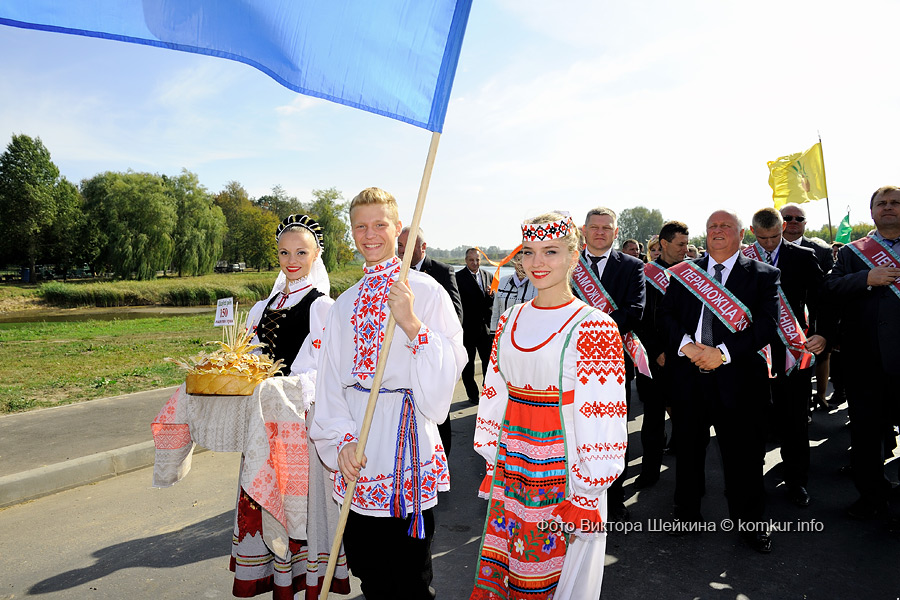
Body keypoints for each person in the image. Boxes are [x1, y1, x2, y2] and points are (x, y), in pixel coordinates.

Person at [310, 188, 465, 600]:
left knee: (411, 578)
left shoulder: (425, 292)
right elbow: (330, 384)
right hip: (358, 449)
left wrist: (411, 323)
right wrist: (341, 441)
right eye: (360, 226)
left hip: (405, 446)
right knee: (370, 572)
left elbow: (451, 364)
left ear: (398, 229)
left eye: (380, 224)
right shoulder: (343, 304)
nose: (370, 234)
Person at [471, 212, 627, 600]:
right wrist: (492, 455)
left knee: (557, 579)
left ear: (575, 256)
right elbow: (495, 392)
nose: (537, 262)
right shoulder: (510, 318)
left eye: (551, 251)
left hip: (567, 472)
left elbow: (604, 413)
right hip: (514, 463)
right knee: (512, 567)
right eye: (528, 252)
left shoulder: (594, 325)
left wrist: (588, 490)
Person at [235, 214, 349, 599]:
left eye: (301, 252)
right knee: (266, 495)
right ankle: (275, 575)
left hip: (300, 420)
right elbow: (250, 358)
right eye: (284, 252)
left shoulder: (322, 307)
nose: (292, 260)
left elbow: (326, 370)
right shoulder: (261, 307)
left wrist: (284, 387)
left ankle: (308, 578)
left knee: (299, 502)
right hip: (264, 421)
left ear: (316, 255)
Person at [661, 210, 779, 553]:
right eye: (712, 225)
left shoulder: (763, 274)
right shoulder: (685, 273)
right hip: (689, 376)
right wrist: (687, 346)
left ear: (741, 234)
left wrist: (722, 353)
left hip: (738, 379)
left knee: (744, 456)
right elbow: (666, 315)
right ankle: (686, 514)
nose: (717, 230)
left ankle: (751, 523)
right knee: (688, 451)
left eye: (725, 225)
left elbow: (766, 326)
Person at [823, 185, 900, 521]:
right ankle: (871, 496)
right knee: (866, 434)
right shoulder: (853, 253)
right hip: (865, 360)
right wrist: (866, 277)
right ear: (872, 212)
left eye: (895, 202)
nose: (888, 207)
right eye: (882, 203)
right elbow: (830, 288)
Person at [748, 207, 825, 507]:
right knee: (753, 419)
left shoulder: (804, 256)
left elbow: (821, 299)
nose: (769, 244)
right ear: (753, 232)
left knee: (794, 420)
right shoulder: (741, 258)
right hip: (753, 351)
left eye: (774, 237)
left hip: (793, 350)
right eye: (763, 238)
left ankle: (797, 481)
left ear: (782, 229)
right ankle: (751, 482)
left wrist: (821, 333)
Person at [575, 207, 646, 521]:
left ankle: (614, 500)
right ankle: (576, 496)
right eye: (595, 227)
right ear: (584, 230)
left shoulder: (632, 266)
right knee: (574, 431)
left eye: (607, 228)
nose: (600, 232)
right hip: (571, 364)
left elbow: (635, 310)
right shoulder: (568, 263)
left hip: (614, 364)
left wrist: (589, 331)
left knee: (612, 434)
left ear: (616, 232)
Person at [398, 225, 463, 455]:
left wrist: (431, 342)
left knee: (437, 414)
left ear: (422, 246)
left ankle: (442, 460)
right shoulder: (395, 274)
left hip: (433, 353)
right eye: (399, 245)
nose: (401, 251)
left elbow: (455, 314)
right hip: (404, 356)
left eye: (406, 246)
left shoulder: (442, 271)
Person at [634, 221, 689, 489]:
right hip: (654, 358)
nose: (685, 249)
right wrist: (655, 350)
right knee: (653, 419)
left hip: (685, 355)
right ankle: (650, 471)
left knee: (688, 417)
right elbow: (640, 317)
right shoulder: (644, 274)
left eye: (687, 244)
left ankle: (688, 478)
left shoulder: (693, 273)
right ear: (664, 244)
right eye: (680, 244)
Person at [456, 248, 494, 404]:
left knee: (489, 363)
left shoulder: (489, 276)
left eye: (477, 260)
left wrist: (491, 296)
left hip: (485, 329)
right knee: (468, 365)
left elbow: (492, 303)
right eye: (471, 260)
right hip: (467, 329)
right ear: (466, 260)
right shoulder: (457, 278)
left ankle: (488, 392)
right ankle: (473, 395)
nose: (475, 263)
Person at [489, 249, 537, 332]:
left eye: (525, 260)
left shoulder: (537, 285)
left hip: (527, 333)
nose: (521, 264)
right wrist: (493, 332)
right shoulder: (502, 281)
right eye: (518, 260)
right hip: (504, 332)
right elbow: (496, 311)